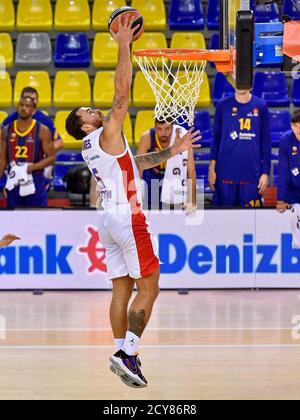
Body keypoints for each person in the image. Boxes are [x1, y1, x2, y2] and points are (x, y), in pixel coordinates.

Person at [65, 16, 200, 388]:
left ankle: (121, 351)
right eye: (87, 112)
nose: (95, 109)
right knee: (151, 284)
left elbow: (135, 163)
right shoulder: (105, 131)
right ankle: (129, 353)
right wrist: (124, 44)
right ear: (87, 126)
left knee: (122, 288)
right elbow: (121, 94)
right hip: (126, 216)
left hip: (107, 220)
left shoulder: (97, 147)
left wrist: (173, 150)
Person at [209, 89, 271, 207]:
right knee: (223, 223)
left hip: (252, 178)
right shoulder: (222, 106)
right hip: (224, 176)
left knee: (251, 224)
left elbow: (266, 142)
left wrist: (265, 172)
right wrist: (211, 168)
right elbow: (216, 139)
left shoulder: (261, 106)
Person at [0, 96, 56, 209]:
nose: (23, 108)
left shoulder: (43, 130)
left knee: (37, 219)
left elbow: (51, 158)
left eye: (27, 106)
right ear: (17, 107)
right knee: (13, 221)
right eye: (21, 105)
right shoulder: (6, 130)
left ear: (33, 110)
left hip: (35, 180)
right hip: (14, 180)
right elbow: (2, 160)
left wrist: (32, 167)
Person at [137, 117, 197, 212]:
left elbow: (191, 170)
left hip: (173, 180)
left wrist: (192, 201)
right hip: (152, 179)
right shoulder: (147, 137)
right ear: (154, 127)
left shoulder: (183, 138)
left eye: (167, 128)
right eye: (159, 129)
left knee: (173, 218)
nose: (163, 133)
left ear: (173, 128)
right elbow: (138, 168)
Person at [2, 87, 63, 151]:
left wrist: (43, 154)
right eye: (26, 98)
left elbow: (59, 142)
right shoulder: (11, 119)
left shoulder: (45, 120)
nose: (29, 101)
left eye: (32, 99)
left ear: (37, 101)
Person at [277, 110, 300, 213]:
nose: (298, 129)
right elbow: (283, 171)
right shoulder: (286, 140)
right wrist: (281, 199)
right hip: (292, 192)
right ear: (291, 126)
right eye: (295, 125)